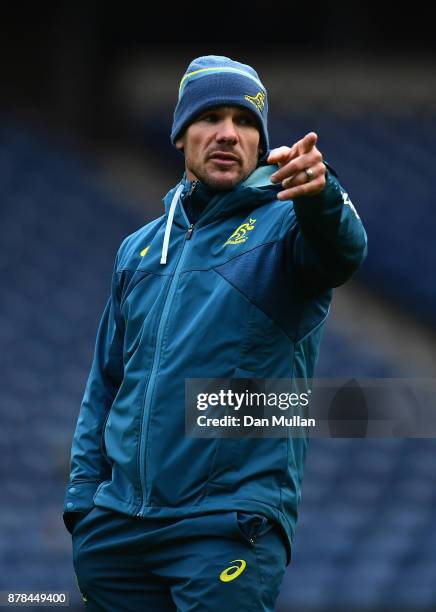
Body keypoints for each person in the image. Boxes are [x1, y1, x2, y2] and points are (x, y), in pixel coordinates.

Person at [64, 55, 367, 611]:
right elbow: (105, 385)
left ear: (260, 141)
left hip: (225, 527)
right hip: (118, 534)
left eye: (246, 120)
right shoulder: (138, 250)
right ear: (181, 134)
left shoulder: (289, 223)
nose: (229, 133)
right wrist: (85, 507)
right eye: (210, 117)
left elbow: (343, 251)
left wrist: (323, 198)